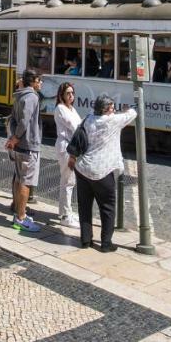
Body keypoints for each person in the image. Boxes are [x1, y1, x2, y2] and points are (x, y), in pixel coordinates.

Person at [68, 94, 137, 251]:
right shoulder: (112, 121)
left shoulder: (88, 119)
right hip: (102, 171)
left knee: (84, 206)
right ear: (106, 109)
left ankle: (86, 240)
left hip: (83, 168)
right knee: (107, 207)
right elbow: (131, 114)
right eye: (111, 107)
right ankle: (106, 243)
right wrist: (133, 106)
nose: (113, 109)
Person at [5, 69, 43, 233]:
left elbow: (13, 119)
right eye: (39, 80)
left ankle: (18, 211)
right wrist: (16, 137)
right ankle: (21, 218)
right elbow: (24, 121)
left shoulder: (18, 95)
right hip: (28, 145)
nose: (41, 83)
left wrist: (13, 137)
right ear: (33, 81)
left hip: (20, 145)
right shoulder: (32, 97)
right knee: (26, 182)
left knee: (19, 178)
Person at [53, 82, 82, 229]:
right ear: (62, 95)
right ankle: (65, 215)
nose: (71, 96)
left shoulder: (72, 108)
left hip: (72, 147)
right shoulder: (60, 108)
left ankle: (66, 211)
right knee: (68, 181)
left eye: (72, 93)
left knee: (69, 181)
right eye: (68, 93)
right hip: (66, 148)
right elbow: (75, 126)